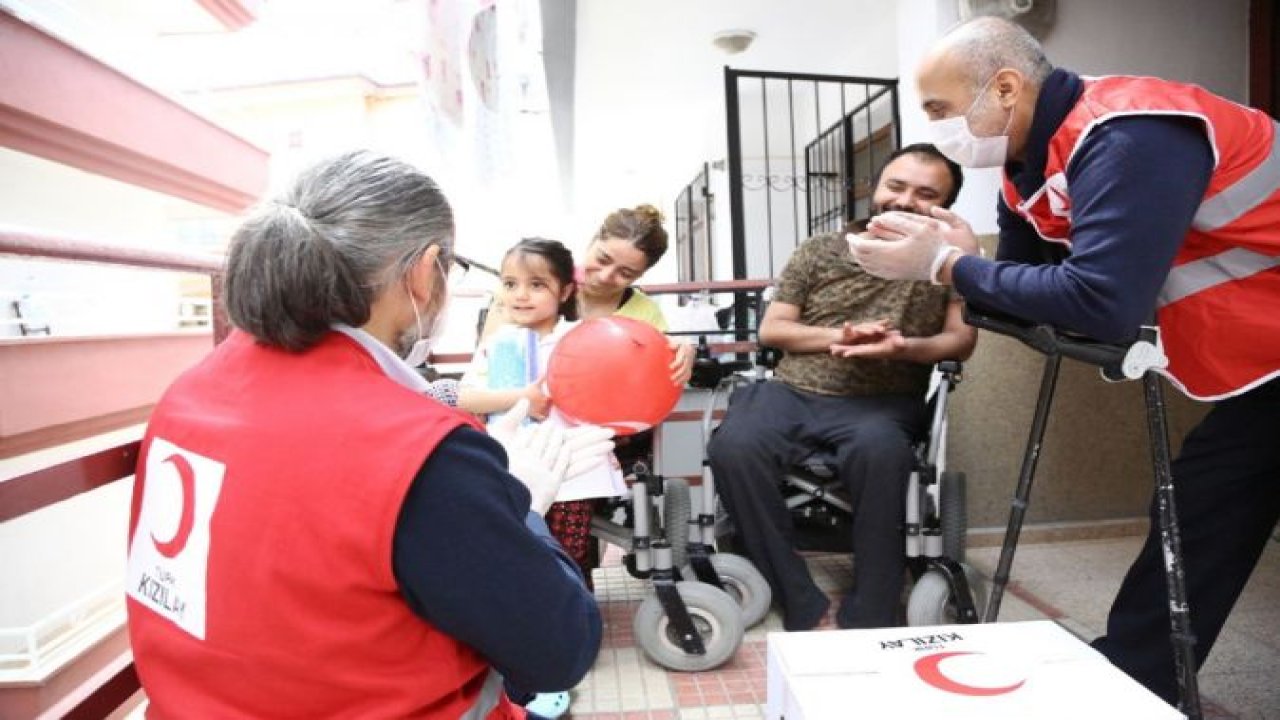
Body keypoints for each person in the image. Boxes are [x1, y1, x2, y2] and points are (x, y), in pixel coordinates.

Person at [851, 16, 1280, 705]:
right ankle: (1134, 681)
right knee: (1205, 504)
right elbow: (1029, 299)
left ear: (1006, 88)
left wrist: (944, 265)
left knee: (1209, 501)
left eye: (940, 109)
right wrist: (961, 256)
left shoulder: (1130, 133)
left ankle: (1136, 675)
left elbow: (1100, 301)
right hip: (1266, 358)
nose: (936, 129)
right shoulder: (1029, 168)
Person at [124, 150, 614, 718]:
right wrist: (519, 501)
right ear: (423, 270)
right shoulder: (424, 452)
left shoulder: (188, 393)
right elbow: (559, 649)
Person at [708, 143, 977, 632]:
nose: (904, 200)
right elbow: (774, 330)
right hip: (790, 391)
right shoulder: (819, 249)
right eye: (895, 185)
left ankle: (871, 611)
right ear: (876, 188)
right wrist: (840, 337)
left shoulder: (949, 264)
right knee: (734, 446)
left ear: (944, 208)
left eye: (925, 193)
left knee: (882, 454)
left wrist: (900, 348)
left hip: (883, 404)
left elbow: (960, 342)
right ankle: (795, 595)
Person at [459, 237, 603, 585]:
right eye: (510, 284)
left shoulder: (580, 337)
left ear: (565, 291)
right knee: (517, 546)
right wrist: (519, 398)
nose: (520, 295)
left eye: (537, 285)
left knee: (567, 552)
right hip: (510, 466)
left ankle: (572, 621)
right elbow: (464, 397)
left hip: (570, 469)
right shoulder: (498, 343)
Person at [481, 204, 694, 386]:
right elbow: (487, 360)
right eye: (602, 259)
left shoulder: (644, 312)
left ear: (641, 275)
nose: (605, 276)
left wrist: (682, 351)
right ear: (592, 241)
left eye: (625, 273)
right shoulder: (538, 287)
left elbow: (660, 368)